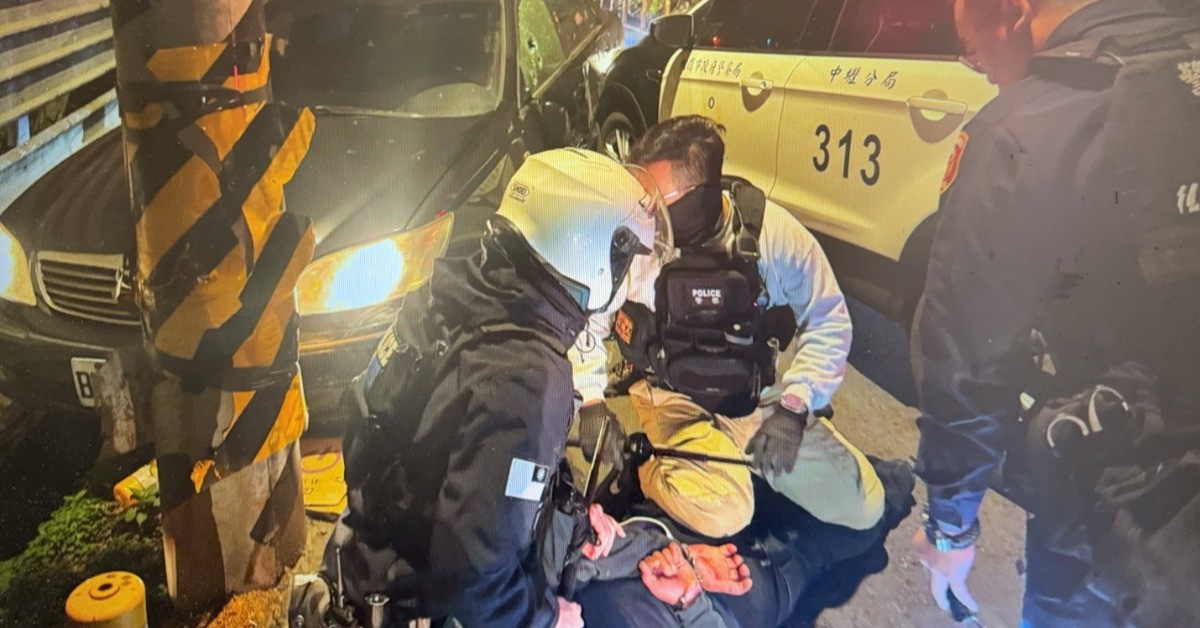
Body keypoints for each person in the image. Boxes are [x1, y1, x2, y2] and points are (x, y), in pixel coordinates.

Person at [911, 0, 1200, 626]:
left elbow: (968, 357)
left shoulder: (1030, 126)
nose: (981, 68)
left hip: (1125, 522)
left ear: (1011, 13)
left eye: (973, 49)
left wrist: (951, 529)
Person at [303, 148, 674, 628]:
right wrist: (546, 619)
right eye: (627, 263)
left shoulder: (459, 293)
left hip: (363, 557)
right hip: (420, 603)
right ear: (593, 254)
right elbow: (476, 581)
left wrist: (575, 520)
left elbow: (467, 454)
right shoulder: (527, 379)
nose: (628, 283)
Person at [572, 115, 885, 539]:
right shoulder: (636, 238)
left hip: (754, 398)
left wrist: (796, 406)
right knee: (727, 513)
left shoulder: (772, 235)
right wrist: (591, 399)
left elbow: (829, 319)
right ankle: (645, 468)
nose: (643, 211)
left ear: (700, 196)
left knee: (864, 503)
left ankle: (730, 458)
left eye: (656, 199)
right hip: (672, 398)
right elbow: (589, 318)